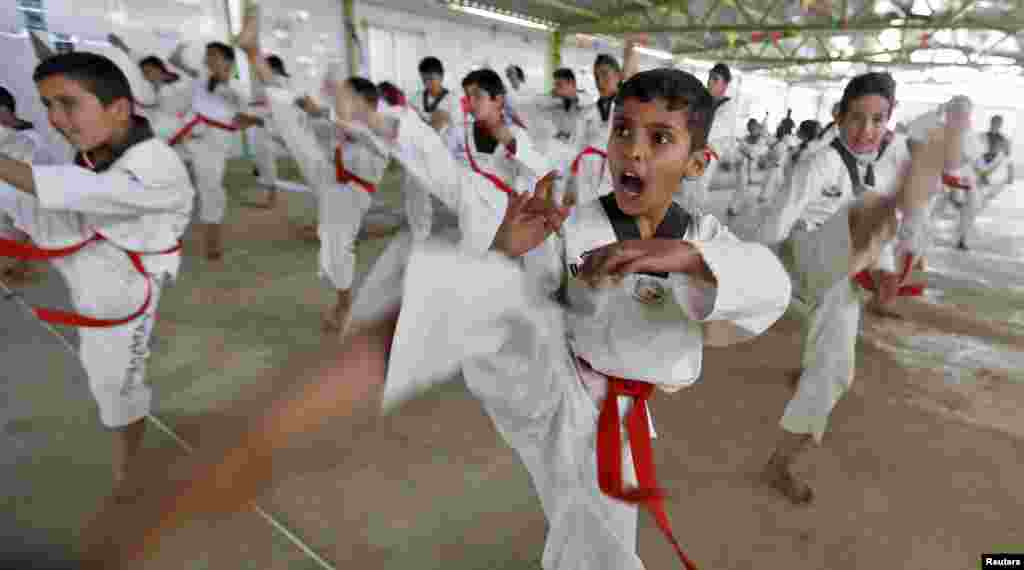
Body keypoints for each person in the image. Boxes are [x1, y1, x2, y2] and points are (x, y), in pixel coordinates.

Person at [82, 67, 794, 570]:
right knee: (474, 284)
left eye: (659, 139)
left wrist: (684, 259)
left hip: (614, 414)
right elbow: (527, 292)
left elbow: (770, 287)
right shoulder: (574, 222)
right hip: (550, 377)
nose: (633, 151)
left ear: (697, 161)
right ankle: (274, 425)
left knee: (593, 533)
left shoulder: (708, 240)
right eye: (624, 131)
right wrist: (509, 250)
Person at [757, 72, 967, 504]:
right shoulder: (819, 164)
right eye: (857, 118)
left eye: (878, 120)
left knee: (832, 366)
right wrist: (756, 280)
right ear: (838, 115)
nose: (867, 130)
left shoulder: (883, 158)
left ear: (889, 120)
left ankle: (808, 373)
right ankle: (780, 464)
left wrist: (889, 268)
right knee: (835, 370)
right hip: (811, 259)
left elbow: (890, 230)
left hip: (847, 274)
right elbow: (772, 225)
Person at [0, 52, 193, 489]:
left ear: (119, 108)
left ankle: (132, 463)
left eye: (67, 105)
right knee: (18, 185)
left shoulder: (155, 169)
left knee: (118, 384)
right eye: (48, 105)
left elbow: (74, 191)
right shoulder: (103, 139)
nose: (55, 118)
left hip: (127, 286)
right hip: (93, 255)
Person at [237, 8, 388, 333]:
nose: (340, 102)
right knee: (291, 115)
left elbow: (362, 135)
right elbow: (308, 122)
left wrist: (328, 113)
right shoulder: (340, 122)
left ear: (366, 104)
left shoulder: (383, 128)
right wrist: (283, 114)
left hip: (351, 195)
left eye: (347, 99)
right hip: (328, 177)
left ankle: (345, 303)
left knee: (336, 246)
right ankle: (252, 51)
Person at [166, 41, 246, 261]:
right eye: (207, 54)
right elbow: (176, 63)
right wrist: (179, 51)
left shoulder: (236, 86)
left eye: (214, 55)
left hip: (213, 144)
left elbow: (243, 107)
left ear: (228, 61)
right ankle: (170, 229)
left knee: (210, 189)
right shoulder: (202, 76)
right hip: (187, 135)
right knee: (168, 178)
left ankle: (213, 239)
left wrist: (225, 81)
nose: (208, 59)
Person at [106, 34, 194, 141]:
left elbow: (173, 109)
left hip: (176, 123)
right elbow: (138, 59)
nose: (146, 77)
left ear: (159, 69)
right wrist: (121, 45)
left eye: (148, 72)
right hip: (162, 119)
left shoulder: (181, 84)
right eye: (144, 74)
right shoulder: (156, 78)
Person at [680, 62, 737, 214]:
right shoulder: (701, 102)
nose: (710, 82)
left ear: (725, 85)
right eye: (710, 77)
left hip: (706, 158)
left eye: (715, 79)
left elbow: (719, 134)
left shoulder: (728, 107)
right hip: (689, 153)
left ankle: (691, 229)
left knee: (696, 198)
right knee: (683, 192)